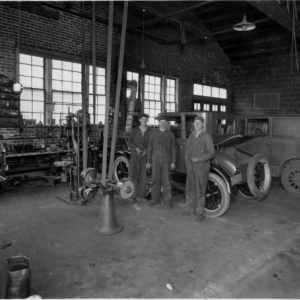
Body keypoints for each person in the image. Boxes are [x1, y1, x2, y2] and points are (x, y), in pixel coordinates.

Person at [181, 115, 214, 222]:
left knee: (200, 190)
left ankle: (199, 213)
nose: (197, 124)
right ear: (193, 124)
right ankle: (190, 208)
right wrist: (187, 162)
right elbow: (187, 151)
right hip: (190, 168)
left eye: (199, 122)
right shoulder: (191, 136)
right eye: (195, 122)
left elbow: (211, 153)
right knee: (190, 188)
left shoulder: (206, 136)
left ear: (203, 124)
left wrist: (199, 159)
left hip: (201, 167)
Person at [146, 115, 176, 208]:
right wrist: (148, 161)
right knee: (155, 179)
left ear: (166, 123)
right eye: (161, 122)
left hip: (167, 160)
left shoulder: (170, 134)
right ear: (158, 123)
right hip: (155, 159)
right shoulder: (153, 133)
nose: (162, 124)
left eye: (164, 122)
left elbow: (174, 149)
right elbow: (150, 148)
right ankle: (155, 199)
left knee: (167, 181)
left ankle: (167, 201)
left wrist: (173, 161)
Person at [128, 113, 152, 203]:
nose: (144, 121)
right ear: (139, 120)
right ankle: (132, 195)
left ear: (147, 121)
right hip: (135, 155)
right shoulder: (134, 130)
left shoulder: (150, 131)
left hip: (145, 156)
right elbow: (130, 143)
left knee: (143, 176)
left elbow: (151, 144)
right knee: (133, 175)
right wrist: (136, 148)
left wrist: (146, 150)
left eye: (146, 119)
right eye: (142, 119)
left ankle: (140, 196)